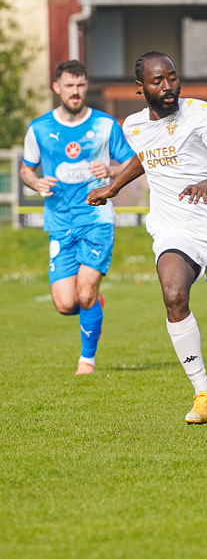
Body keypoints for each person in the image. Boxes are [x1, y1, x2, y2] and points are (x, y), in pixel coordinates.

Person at [87, 51, 207, 424]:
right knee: (173, 295)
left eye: (172, 77)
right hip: (173, 229)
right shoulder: (133, 125)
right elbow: (145, 156)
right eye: (158, 81)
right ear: (141, 89)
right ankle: (203, 393)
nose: (168, 87)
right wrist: (113, 187)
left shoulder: (201, 114)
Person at [20, 60, 138, 375]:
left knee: (85, 292)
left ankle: (87, 361)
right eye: (69, 86)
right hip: (59, 223)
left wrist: (111, 171)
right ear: (57, 88)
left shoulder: (105, 125)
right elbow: (26, 169)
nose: (75, 91)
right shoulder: (40, 128)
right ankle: (93, 307)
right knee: (65, 304)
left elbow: (132, 163)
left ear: (86, 87)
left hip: (97, 219)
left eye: (81, 85)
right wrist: (36, 182)